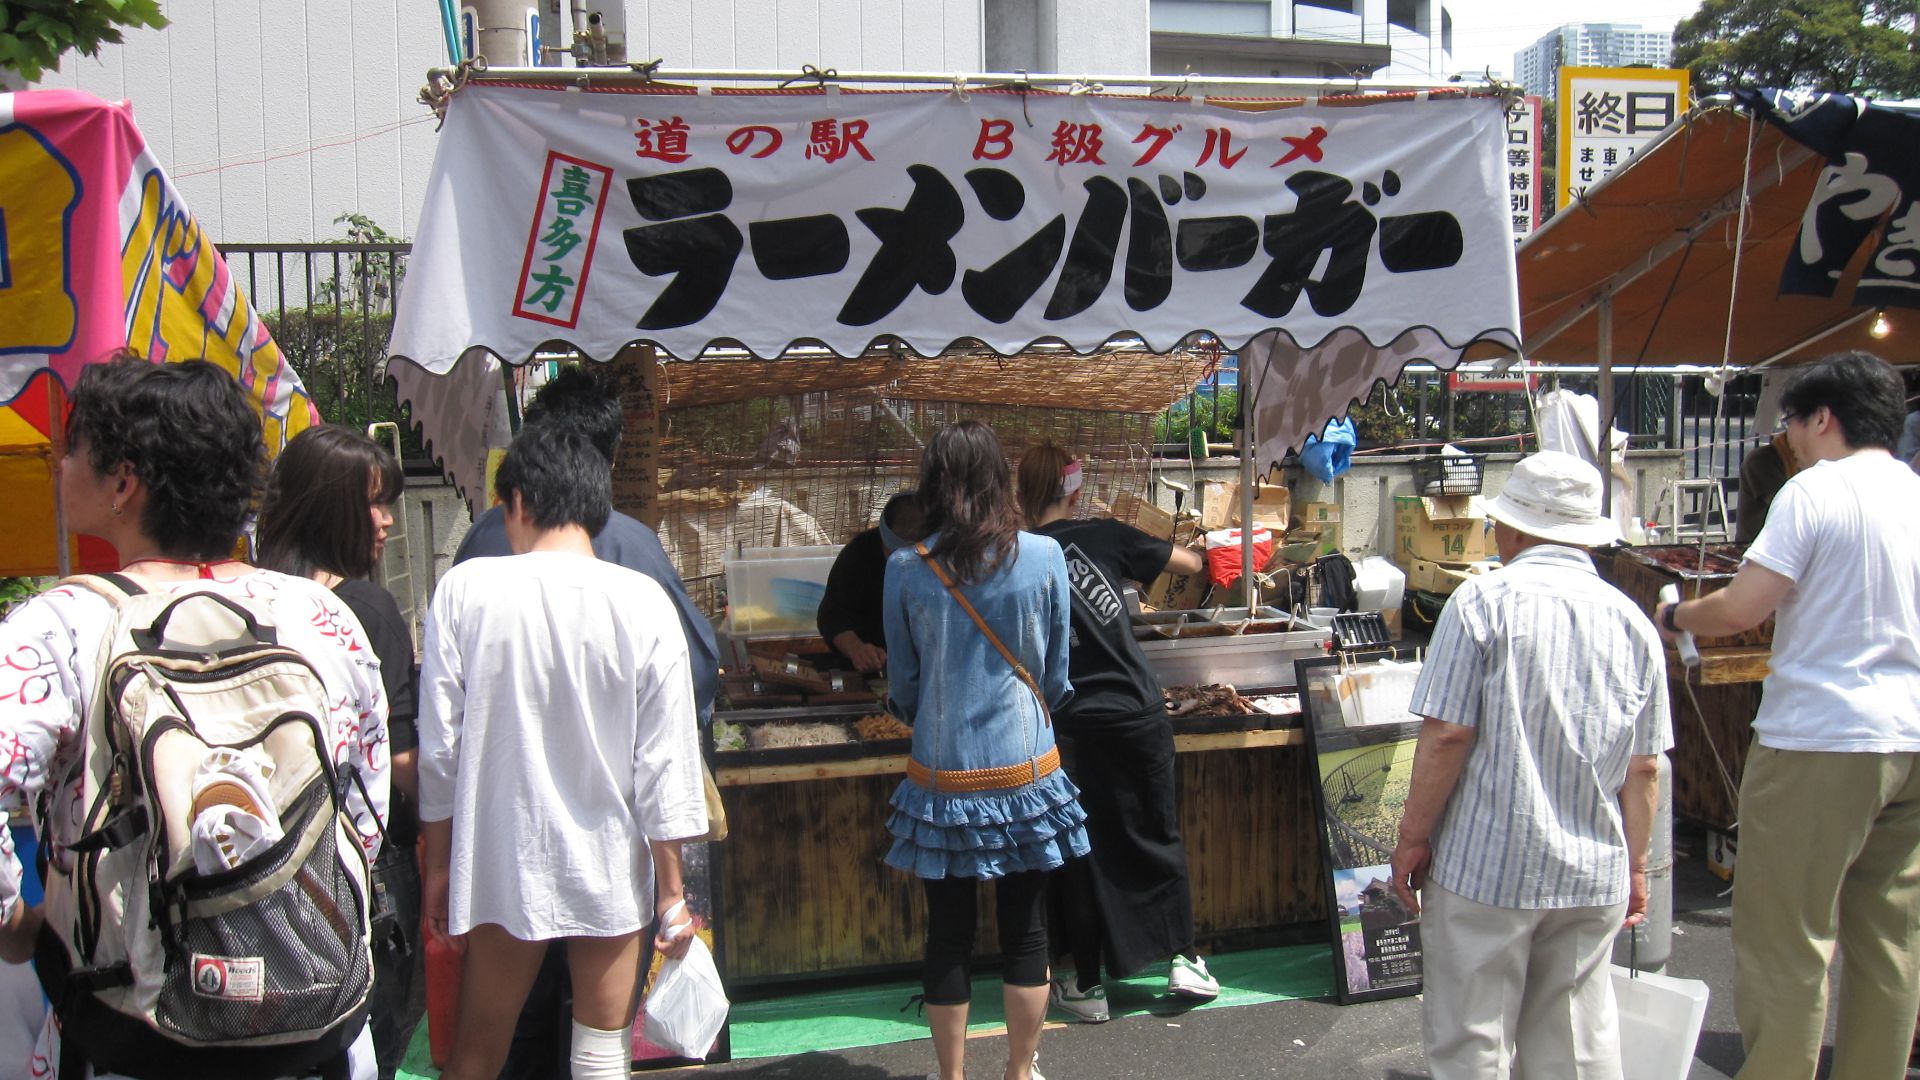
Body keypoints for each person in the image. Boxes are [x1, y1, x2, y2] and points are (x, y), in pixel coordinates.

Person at [0, 356, 389, 1078]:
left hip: (132, 1032)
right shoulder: (320, 616)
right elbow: (363, 817)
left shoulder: (54, 630)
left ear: (124, 481)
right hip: (312, 1021)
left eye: (71, 450)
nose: (59, 467)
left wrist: (16, 928)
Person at [1656, 351, 1920, 1080]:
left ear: (1823, 418)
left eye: (1793, 424)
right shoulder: (1914, 491)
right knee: (1891, 943)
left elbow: (1744, 606)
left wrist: (1678, 612)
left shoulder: (1813, 493)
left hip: (1821, 738)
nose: (1790, 441)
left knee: (1787, 939)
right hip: (1910, 738)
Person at [418, 422, 708, 1080]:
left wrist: (439, 865)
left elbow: (440, 750)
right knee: (602, 1053)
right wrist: (672, 892)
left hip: (501, 859)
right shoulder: (644, 602)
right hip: (609, 858)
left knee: (478, 1052)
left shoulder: (464, 591)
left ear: (516, 502)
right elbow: (666, 763)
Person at [1390, 450, 1668, 1080]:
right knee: (1575, 1047)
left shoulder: (1482, 603)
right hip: (1594, 865)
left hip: (1486, 864)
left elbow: (1446, 736)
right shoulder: (1633, 621)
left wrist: (1411, 838)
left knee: (1471, 1043)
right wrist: (1639, 865)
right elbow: (1646, 769)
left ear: (1513, 528)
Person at [884, 421, 1087, 1080]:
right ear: (1001, 479)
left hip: (942, 777)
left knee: (948, 932)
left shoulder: (904, 569)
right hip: (1027, 771)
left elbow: (904, 686)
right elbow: (1056, 673)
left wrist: (931, 716)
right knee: (1025, 927)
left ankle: (952, 1076)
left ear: (934, 486)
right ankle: (1021, 1069)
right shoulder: (1045, 557)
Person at [1013, 444, 1218, 1022]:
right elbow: (1193, 566)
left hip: (1069, 722)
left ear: (1022, 496)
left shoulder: (1016, 554)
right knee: (1155, 829)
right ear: (1075, 489)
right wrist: (1212, 550)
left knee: (1078, 850)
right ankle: (1183, 958)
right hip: (1135, 710)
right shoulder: (1106, 535)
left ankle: (1084, 984)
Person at [256, 425, 420, 1079]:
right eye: (373, 504)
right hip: (362, 879)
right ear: (332, 507)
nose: (385, 522)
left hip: (263, 870)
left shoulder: (252, 600)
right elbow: (401, 763)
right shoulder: (364, 611)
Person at [816, 491, 926, 672]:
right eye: (895, 557)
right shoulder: (859, 554)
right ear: (884, 538)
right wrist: (857, 649)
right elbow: (832, 616)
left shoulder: (948, 560)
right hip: (872, 672)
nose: (903, 568)